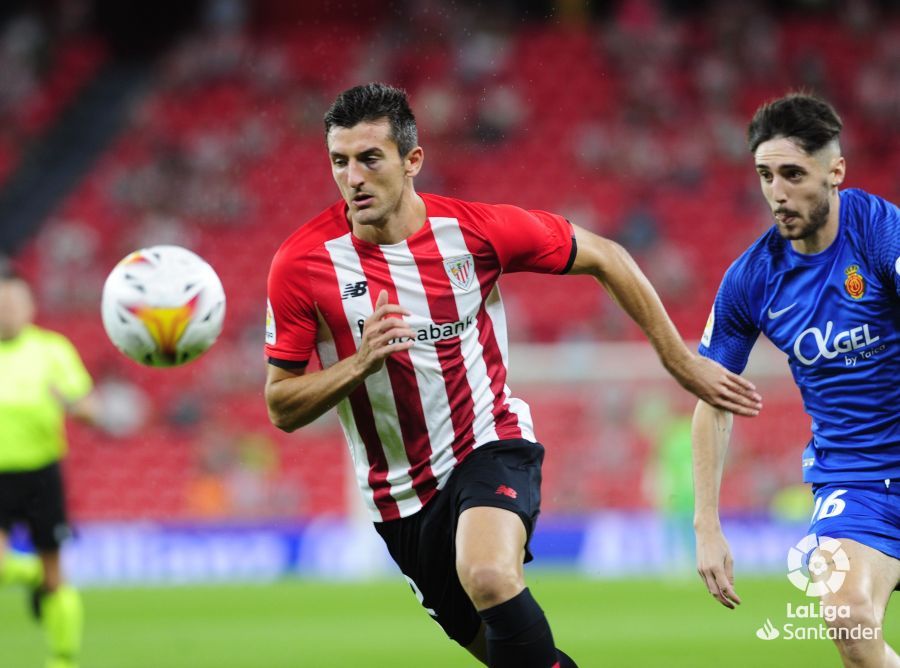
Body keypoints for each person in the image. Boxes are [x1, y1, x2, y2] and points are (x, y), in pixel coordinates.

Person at [264, 82, 762, 668]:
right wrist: (359, 362)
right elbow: (282, 405)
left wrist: (680, 361)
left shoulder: (473, 232)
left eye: (370, 159)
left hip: (489, 443)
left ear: (412, 160)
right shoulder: (301, 265)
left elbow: (605, 255)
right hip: (398, 502)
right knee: (518, 658)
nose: (353, 178)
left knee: (489, 574)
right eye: (339, 162)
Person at [692, 93, 900, 667]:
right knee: (847, 620)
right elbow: (713, 400)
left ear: (834, 172)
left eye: (792, 174)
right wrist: (706, 523)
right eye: (765, 175)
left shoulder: (881, 232)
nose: (777, 193)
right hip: (855, 483)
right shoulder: (750, 280)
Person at [0, 271, 100, 668]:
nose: (6, 312)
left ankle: (61, 661)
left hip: (41, 475)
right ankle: (28, 575)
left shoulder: (51, 350)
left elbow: (91, 409)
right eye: (1, 306)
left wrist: (73, 405)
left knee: (56, 579)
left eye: (13, 305)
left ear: (30, 309)